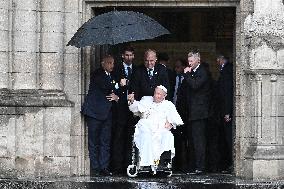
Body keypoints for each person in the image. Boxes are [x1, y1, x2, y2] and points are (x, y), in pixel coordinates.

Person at [127, 85, 184, 168]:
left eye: (160, 94)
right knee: (146, 136)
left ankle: (162, 163)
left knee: (168, 136)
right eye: (156, 93)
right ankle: (145, 163)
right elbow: (135, 108)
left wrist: (171, 123)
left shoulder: (169, 104)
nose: (157, 96)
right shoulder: (146, 99)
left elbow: (177, 119)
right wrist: (132, 101)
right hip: (145, 127)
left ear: (164, 96)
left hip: (161, 129)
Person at [81, 55, 119, 176]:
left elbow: (114, 91)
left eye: (113, 63)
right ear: (102, 63)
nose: (111, 65)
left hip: (107, 114)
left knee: (105, 141)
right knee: (94, 142)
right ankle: (95, 168)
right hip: (94, 113)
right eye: (109, 63)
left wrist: (116, 96)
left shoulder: (112, 76)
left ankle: (104, 167)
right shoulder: (97, 74)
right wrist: (119, 85)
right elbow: (108, 86)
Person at [184, 50, 211, 175]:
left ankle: (201, 166)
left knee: (199, 140)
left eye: (191, 61)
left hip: (199, 113)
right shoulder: (193, 72)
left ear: (198, 60)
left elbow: (195, 86)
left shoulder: (203, 72)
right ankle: (193, 165)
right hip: (191, 112)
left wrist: (187, 75)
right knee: (192, 140)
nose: (189, 63)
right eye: (188, 61)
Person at [111, 46, 137, 175]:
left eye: (131, 55)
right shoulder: (116, 69)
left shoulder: (136, 70)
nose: (129, 58)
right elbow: (110, 84)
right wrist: (117, 88)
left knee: (130, 137)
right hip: (119, 109)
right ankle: (117, 167)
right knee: (118, 137)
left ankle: (129, 165)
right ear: (122, 55)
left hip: (132, 110)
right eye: (127, 55)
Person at [215, 55, 233, 173]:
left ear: (221, 60)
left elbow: (226, 92)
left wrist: (227, 112)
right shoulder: (227, 69)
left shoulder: (227, 71)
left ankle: (232, 163)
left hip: (227, 111)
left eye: (217, 60)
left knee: (229, 138)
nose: (217, 63)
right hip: (225, 110)